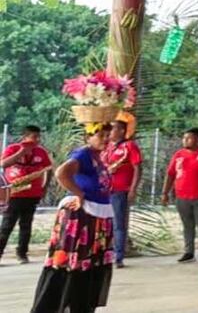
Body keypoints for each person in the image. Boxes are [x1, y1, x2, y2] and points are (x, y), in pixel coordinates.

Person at [30, 122, 114, 313]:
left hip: (96, 217)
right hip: (81, 217)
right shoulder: (82, 154)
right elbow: (62, 173)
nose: (106, 139)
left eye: (108, 135)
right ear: (87, 137)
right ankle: (62, 305)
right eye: (101, 135)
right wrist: (79, 193)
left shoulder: (97, 157)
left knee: (90, 261)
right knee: (72, 261)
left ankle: (80, 305)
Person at [162, 128, 198, 263]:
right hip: (182, 197)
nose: (185, 140)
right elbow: (170, 174)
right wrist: (165, 192)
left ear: (197, 139)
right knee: (187, 225)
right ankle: (189, 252)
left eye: (189, 138)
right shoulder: (178, 155)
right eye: (184, 138)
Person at [0, 125, 52, 265]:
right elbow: (3, 164)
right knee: (7, 225)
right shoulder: (13, 149)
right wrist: (22, 152)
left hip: (33, 193)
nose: (37, 140)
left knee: (26, 225)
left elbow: (48, 169)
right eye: (34, 137)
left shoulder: (41, 152)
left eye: (38, 137)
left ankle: (22, 253)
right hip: (14, 194)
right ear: (25, 137)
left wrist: (44, 187)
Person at [104, 119, 142, 268]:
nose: (110, 132)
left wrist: (133, 189)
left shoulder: (129, 146)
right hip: (104, 190)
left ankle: (118, 256)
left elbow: (138, 168)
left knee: (119, 224)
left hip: (120, 190)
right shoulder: (106, 146)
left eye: (113, 129)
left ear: (121, 131)